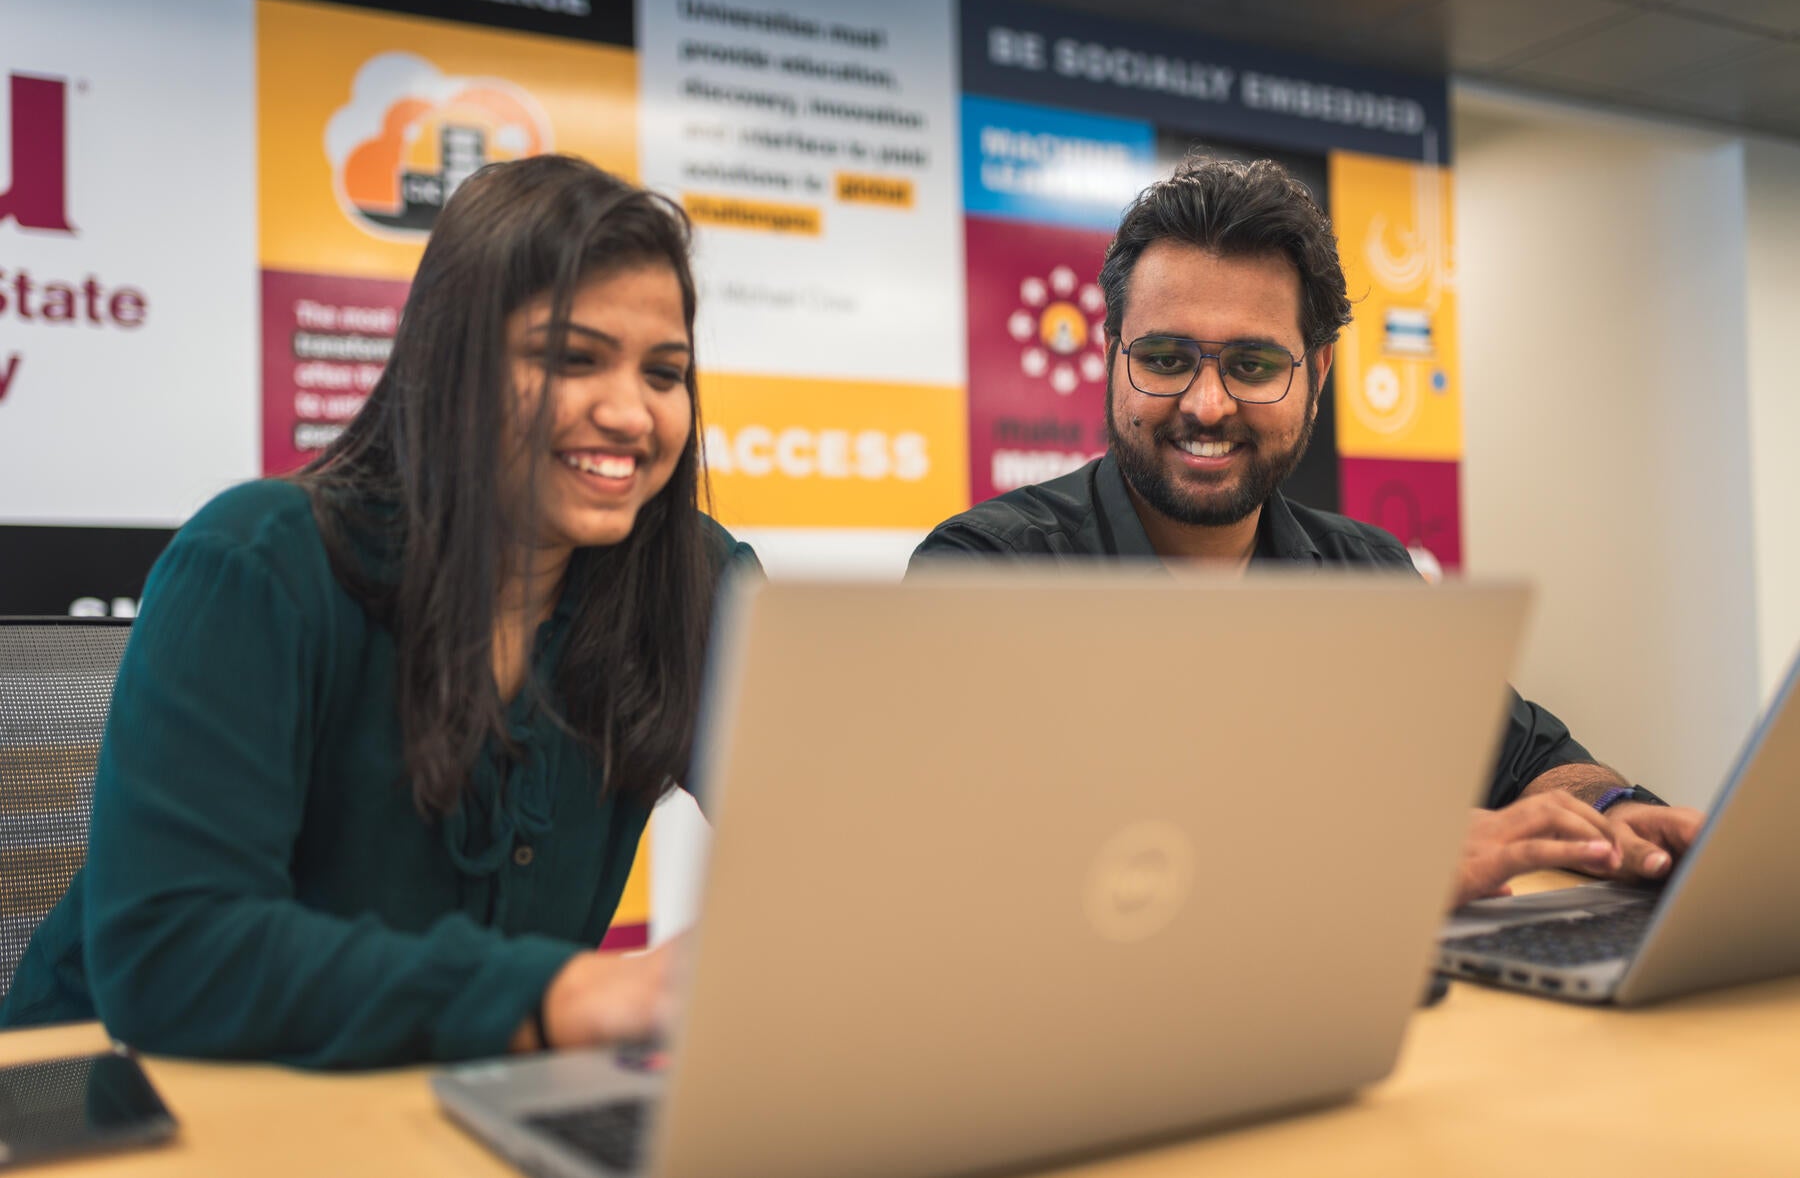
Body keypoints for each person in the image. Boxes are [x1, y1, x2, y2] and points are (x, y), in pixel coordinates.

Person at [0, 155, 757, 1066]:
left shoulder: (692, 581)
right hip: (117, 1098)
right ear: (454, 365)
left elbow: (844, 839)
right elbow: (174, 961)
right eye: (572, 359)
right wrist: (563, 995)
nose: (633, 413)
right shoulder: (258, 561)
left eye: (665, 373)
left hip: (435, 1098)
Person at [911, 156, 1701, 906]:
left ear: (1316, 377)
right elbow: (972, 858)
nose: (1207, 404)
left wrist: (1616, 811)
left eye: (1253, 365)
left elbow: (1523, 759)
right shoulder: (989, 570)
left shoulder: (1369, 574)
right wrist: (1382, 868)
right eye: (1164, 357)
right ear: (1113, 358)